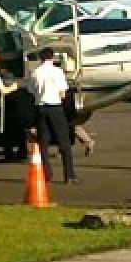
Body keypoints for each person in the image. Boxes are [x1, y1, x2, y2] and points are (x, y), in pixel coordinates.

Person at [29, 47, 78, 184]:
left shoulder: (35, 72)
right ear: (52, 57)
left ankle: (46, 174)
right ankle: (69, 175)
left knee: (43, 142)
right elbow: (63, 91)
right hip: (55, 107)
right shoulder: (57, 72)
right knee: (64, 141)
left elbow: (31, 90)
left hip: (40, 108)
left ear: (41, 58)